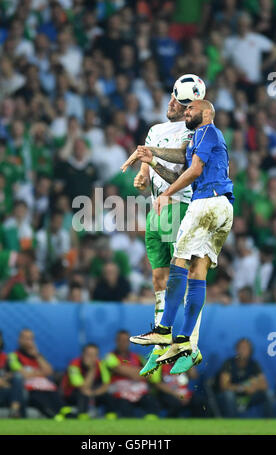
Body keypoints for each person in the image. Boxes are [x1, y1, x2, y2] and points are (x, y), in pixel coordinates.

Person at [129, 99, 234, 375]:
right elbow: (182, 159)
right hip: (223, 207)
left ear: (207, 113)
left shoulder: (206, 131)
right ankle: (185, 342)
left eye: (191, 109)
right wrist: (151, 156)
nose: (186, 112)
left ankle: (164, 332)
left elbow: (194, 170)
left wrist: (165, 193)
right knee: (197, 272)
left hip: (205, 203)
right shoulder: (201, 139)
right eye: (185, 109)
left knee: (179, 265)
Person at [121, 88, 203, 377]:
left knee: (186, 275)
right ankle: (160, 341)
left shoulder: (193, 132)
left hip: (181, 205)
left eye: (177, 102)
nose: (170, 103)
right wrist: (142, 176)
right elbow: (145, 167)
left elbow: (183, 166)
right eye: (170, 97)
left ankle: (190, 343)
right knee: (158, 275)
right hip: (156, 208)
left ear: (188, 108)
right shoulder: (155, 130)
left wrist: (151, 159)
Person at [8, 328, 74, 420]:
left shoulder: (38, 356)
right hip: (29, 390)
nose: (28, 342)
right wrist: (41, 373)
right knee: (39, 397)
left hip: (45, 387)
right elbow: (23, 374)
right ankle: (54, 415)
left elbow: (49, 371)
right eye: (25, 338)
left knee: (53, 393)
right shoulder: (13, 356)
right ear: (19, 340)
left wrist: (37, 355)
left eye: (30, 339)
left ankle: (67, 414)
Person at [104, 330, 160, 418]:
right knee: (124, 406)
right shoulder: (109, 356)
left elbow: (150, 373)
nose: (123, 343)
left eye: (126, 340)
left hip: (139, 391)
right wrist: (139, 372)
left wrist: (129, 371)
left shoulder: (138, 357)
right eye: (121, 340)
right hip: (120, 393)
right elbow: (118, 369)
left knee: (150, 400)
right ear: (116, 341)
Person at [216, 338, 275, 417]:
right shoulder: (229, 363)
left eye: (245, 348)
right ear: (236, 349)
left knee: (269, 394)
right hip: (233, 396)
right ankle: (231, 424)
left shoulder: (254, 364)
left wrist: (254, 388)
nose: (242, 351)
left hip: (248, 397)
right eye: (240, 348)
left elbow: (264, 385)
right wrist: (243, 388)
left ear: (250, 351)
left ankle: (270, 424)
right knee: (228, 395)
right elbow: (224, 386)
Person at [61, 343, 115, 419]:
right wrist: (91, 369)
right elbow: (82, 387)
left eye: (94, 355)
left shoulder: (101, 364)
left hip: (92, 392)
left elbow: (106, 385)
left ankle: (110, 416)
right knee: (82, 395)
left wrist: (94, 393)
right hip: (73, 395)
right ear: (82, 354)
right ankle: (82, 416)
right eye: (88, 354)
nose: (91, 358)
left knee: (108, 395)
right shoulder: (74, 365)